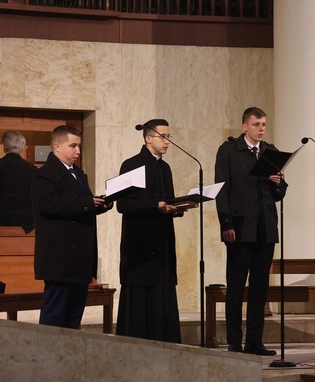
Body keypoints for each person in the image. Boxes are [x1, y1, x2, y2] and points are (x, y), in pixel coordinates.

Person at [215, 107, 288, 356]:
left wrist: (280, 183)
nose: (261, 129)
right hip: (240, 228)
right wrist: (226, 224)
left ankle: (254, 342)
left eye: (264, 124)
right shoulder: (229, 151)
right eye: (256, 124)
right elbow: (221, 190)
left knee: (260, 289)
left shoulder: (271, 152)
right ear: (245, 126)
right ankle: (235, 341)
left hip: (265, 229)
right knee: (236, 288)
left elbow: (279, 193)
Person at [32, 125, 113, 328]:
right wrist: (87, 202)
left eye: (79, 146)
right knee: (55, 315)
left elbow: (83, 205)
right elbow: (46, 205)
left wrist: (102, 204)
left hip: (79, 258)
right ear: (57, 146)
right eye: (73, 146)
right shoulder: (45, 174)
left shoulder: (78, 174)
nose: (78, 151)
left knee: (73, 315)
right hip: (60, 257)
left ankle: (69, 356)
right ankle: (48, 356)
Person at [116, 119, 184, 343]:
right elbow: (123, 205)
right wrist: (155, 207)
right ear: (148, 138)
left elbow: (168, 200)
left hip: (162, 244)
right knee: (141, 300)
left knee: (161, 295)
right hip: (140, 246)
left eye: (169, 137)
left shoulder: (165, 167)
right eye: (162, 136)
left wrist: (177, 208)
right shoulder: (131, 165)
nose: (167, 142)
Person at [0, 131, 38, 231]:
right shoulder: (33, 169)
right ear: (22, 147)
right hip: (28, 223)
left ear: (4, 146)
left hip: (2, 220)